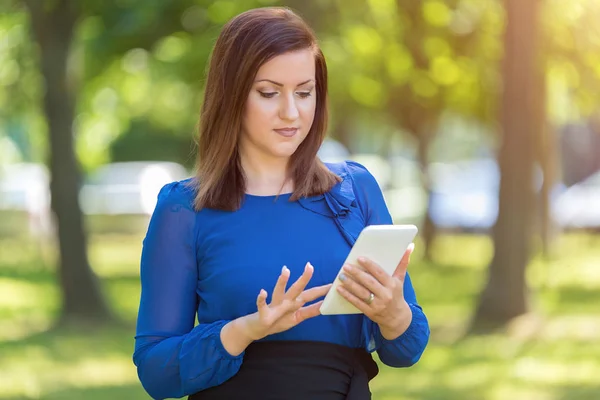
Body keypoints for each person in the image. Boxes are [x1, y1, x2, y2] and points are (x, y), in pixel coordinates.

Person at [133, 6, 429, 400]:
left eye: (305, 93)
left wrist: (395, 315)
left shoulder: (356, 189)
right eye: (269, 93)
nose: (291, 112)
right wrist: (246, 329)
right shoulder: (183, 209)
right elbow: (156, 371)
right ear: (232, 94)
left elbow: (407, 349)